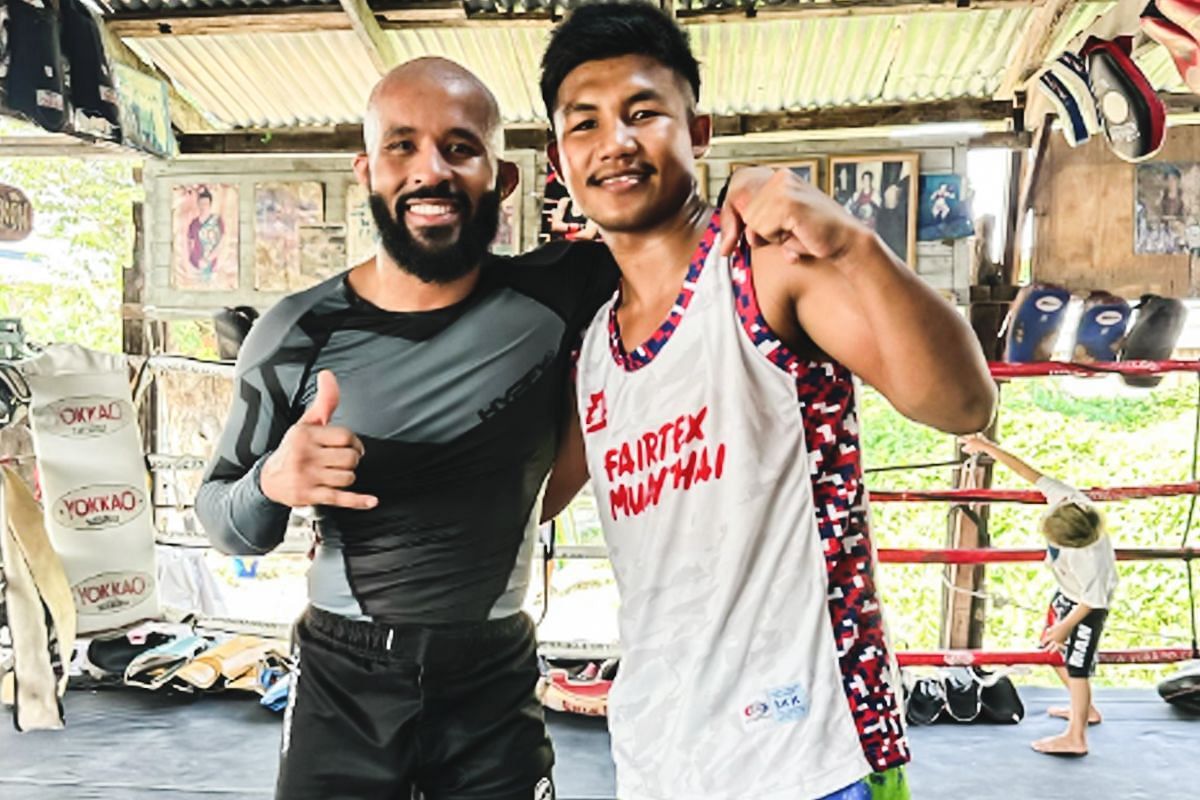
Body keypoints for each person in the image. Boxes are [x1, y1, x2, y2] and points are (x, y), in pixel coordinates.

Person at [196, 54, 822, 799]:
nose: (432, 170)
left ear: (504, 178)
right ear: (366, 172)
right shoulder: (295, 332)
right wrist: (275, 480)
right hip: (345, 684)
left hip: (492, 680)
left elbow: (681, 245)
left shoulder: (567, 290)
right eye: (403, 146)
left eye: (461, 148)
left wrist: (747, 198)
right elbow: (225, 521)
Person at [537, 3, 996, 798]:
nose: (614, 141)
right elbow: (526, 498)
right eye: (586, 124)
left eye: (643, 112)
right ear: (560, 156)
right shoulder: (592, 351)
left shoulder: (766, 271)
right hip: (659, 755)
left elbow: (961, 404)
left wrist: (855, 243)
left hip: (809, 750)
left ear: (698, 129)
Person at [961, 434, 1118, 757]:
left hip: (1087, 607)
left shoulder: (1092, 560)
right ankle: (1083, 710)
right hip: (1067, 593)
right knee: (1050, 648)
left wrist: (1066, 626)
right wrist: (987, 447)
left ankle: (1077, 736)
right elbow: (1030, 473)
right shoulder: (1068, 499)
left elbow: (1094, 601)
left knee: (1078, 665)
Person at [187, 186, 224, 278]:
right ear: (198, 204)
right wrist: (193, 260)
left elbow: (221, 244)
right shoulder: (193, 223)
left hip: (212, 264)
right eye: (201, 203)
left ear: (210, 204)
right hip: (195, 264)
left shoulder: (217, 221)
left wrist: (208, 260)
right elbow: (190, 244)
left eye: (206, 203)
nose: (203, 206)